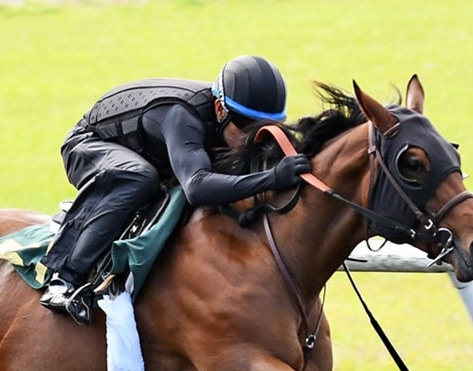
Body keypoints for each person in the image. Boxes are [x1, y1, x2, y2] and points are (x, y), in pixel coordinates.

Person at [39, 54, 312, 325]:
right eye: (245, 125)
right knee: (139, 177)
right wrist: (271, 178)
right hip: (89, 144)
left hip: (149, 150)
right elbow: (198, 187)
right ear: (220, 109)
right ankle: (64, 279)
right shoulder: (183, 117)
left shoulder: (227, 119)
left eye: (265, 127)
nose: (252, 136)